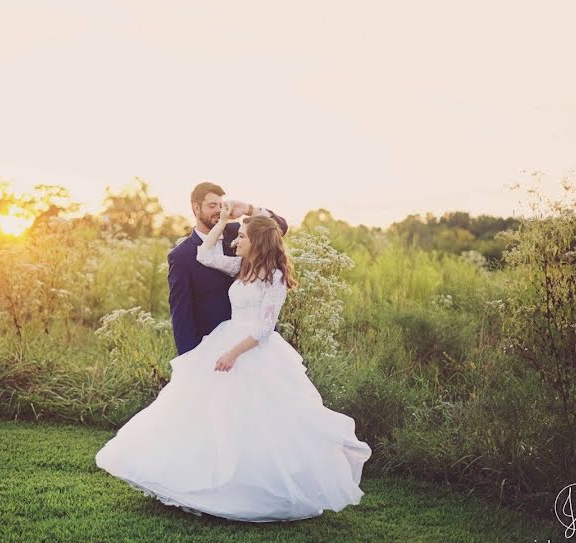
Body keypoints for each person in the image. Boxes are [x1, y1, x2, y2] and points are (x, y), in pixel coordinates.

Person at [95, 200, 372, 522]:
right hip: (226, 340)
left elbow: (265, 328)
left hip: (251, 350)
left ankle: (252, 489)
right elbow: (205, 254)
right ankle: (202, 478)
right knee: (212, 414)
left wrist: (233, 353)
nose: (235, 240)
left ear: (257, 242)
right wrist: (224, 219)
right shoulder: (242, 268)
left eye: (241, 236)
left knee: (254, 420)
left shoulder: (275, 277)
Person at [166, 182, 288, 356]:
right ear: (196, 208)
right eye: (211, 206)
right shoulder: (181, 256)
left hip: (258, 345)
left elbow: (279, 227)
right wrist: (189, 359)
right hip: (213, 345)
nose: (218, 210)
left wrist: (248, 209)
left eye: (221, 205)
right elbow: (181, 315)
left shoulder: (240, 232)